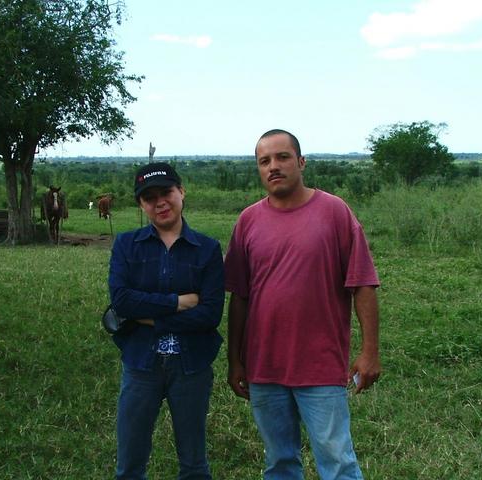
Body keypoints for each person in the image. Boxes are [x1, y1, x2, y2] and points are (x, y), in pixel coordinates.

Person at [224, 129, 380, 480]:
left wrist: (370, 351)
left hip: (320, 365)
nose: (273, 167)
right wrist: (235, 360)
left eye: (282, 157)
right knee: (279, 462)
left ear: (301, 161)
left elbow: (363, 284)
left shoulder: (334, 212)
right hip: (264, 366)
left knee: (337, 461)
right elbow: (240, 297)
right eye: (264, 161)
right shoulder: (248, 221)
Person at [108, 162, 225, 480]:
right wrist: (178, 302)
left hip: (191, 366)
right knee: (130, 462)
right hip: (140, 364)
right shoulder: (126, 245)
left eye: (166, 192)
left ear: (181, 192)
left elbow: (210, 314)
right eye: (149, 197)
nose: (160, 202)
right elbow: (122, 301)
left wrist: (149, 319)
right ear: (141, 204)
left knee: (194, 462)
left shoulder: (208, 249)